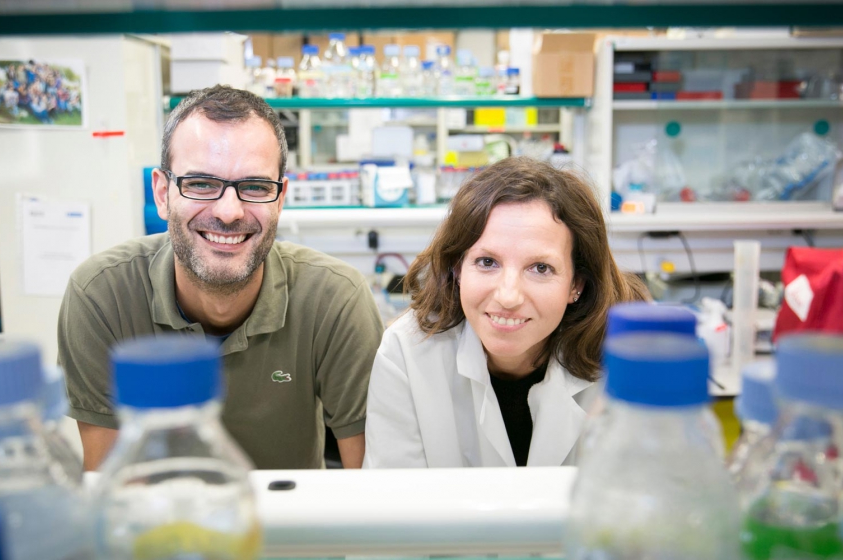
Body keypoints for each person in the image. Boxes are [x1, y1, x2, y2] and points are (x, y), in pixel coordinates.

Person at [59, 86, 383, 471]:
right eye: (201, 183)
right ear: (162, 193)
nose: (229, 211)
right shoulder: (100, 297)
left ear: (280, 199)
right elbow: (109, 491)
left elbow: (372, 488)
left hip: (295, 528)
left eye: (256, 187)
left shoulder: (335, 300)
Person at [363, 157, 648, 468]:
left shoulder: (627, 359)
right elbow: (395, 507)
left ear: (575, 284)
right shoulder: (405, 354)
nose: (508, 296)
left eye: (540, 268)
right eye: (487, 262)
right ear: (458, 267)